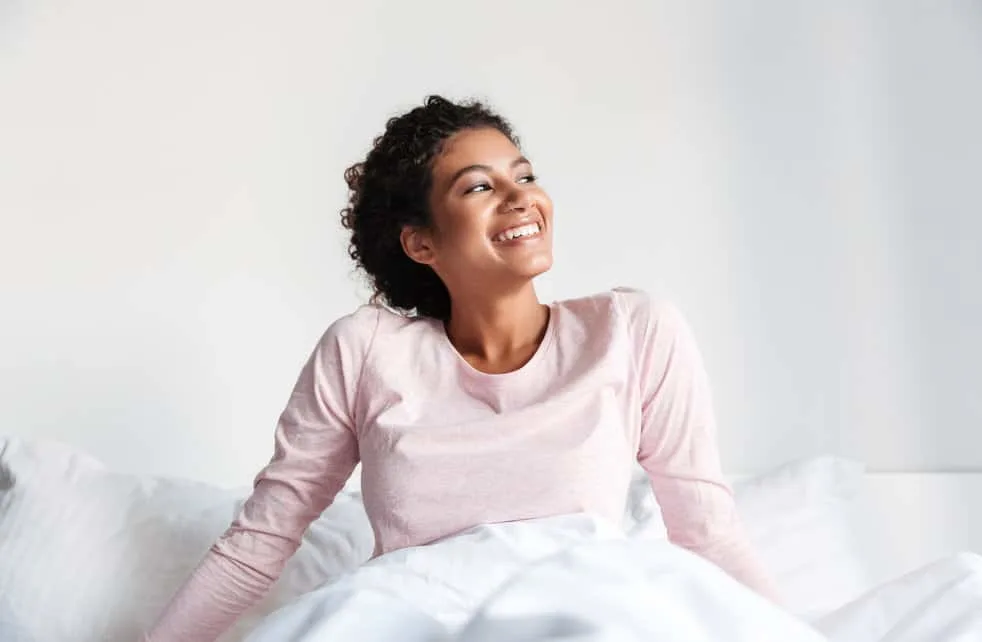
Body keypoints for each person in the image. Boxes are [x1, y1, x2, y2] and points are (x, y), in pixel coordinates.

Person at [146, 95, 780, 641]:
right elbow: (261, 540)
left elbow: (706, 533)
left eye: (524, 176)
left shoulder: (634, 331)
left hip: (580, 609)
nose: (520, 198)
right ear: (422, 243)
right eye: (479, 186)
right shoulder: (365, 350)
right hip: (411, 616)